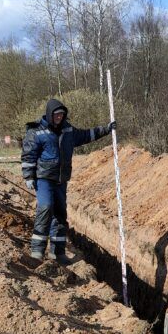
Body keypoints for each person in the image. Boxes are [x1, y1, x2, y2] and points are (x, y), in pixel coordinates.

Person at [21, 99, 115, 263]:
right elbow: (28, 155)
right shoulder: (36, 132)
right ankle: (37, 251)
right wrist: (28, 176)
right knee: (45, 207)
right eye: (57, 115)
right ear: (50, 114)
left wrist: (107, 129)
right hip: (44, 178)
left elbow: (87, 135)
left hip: (61, 179)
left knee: (60, 213)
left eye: (62, 115)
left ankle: (58, 252)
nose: (59, 117)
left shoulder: (68, 130)